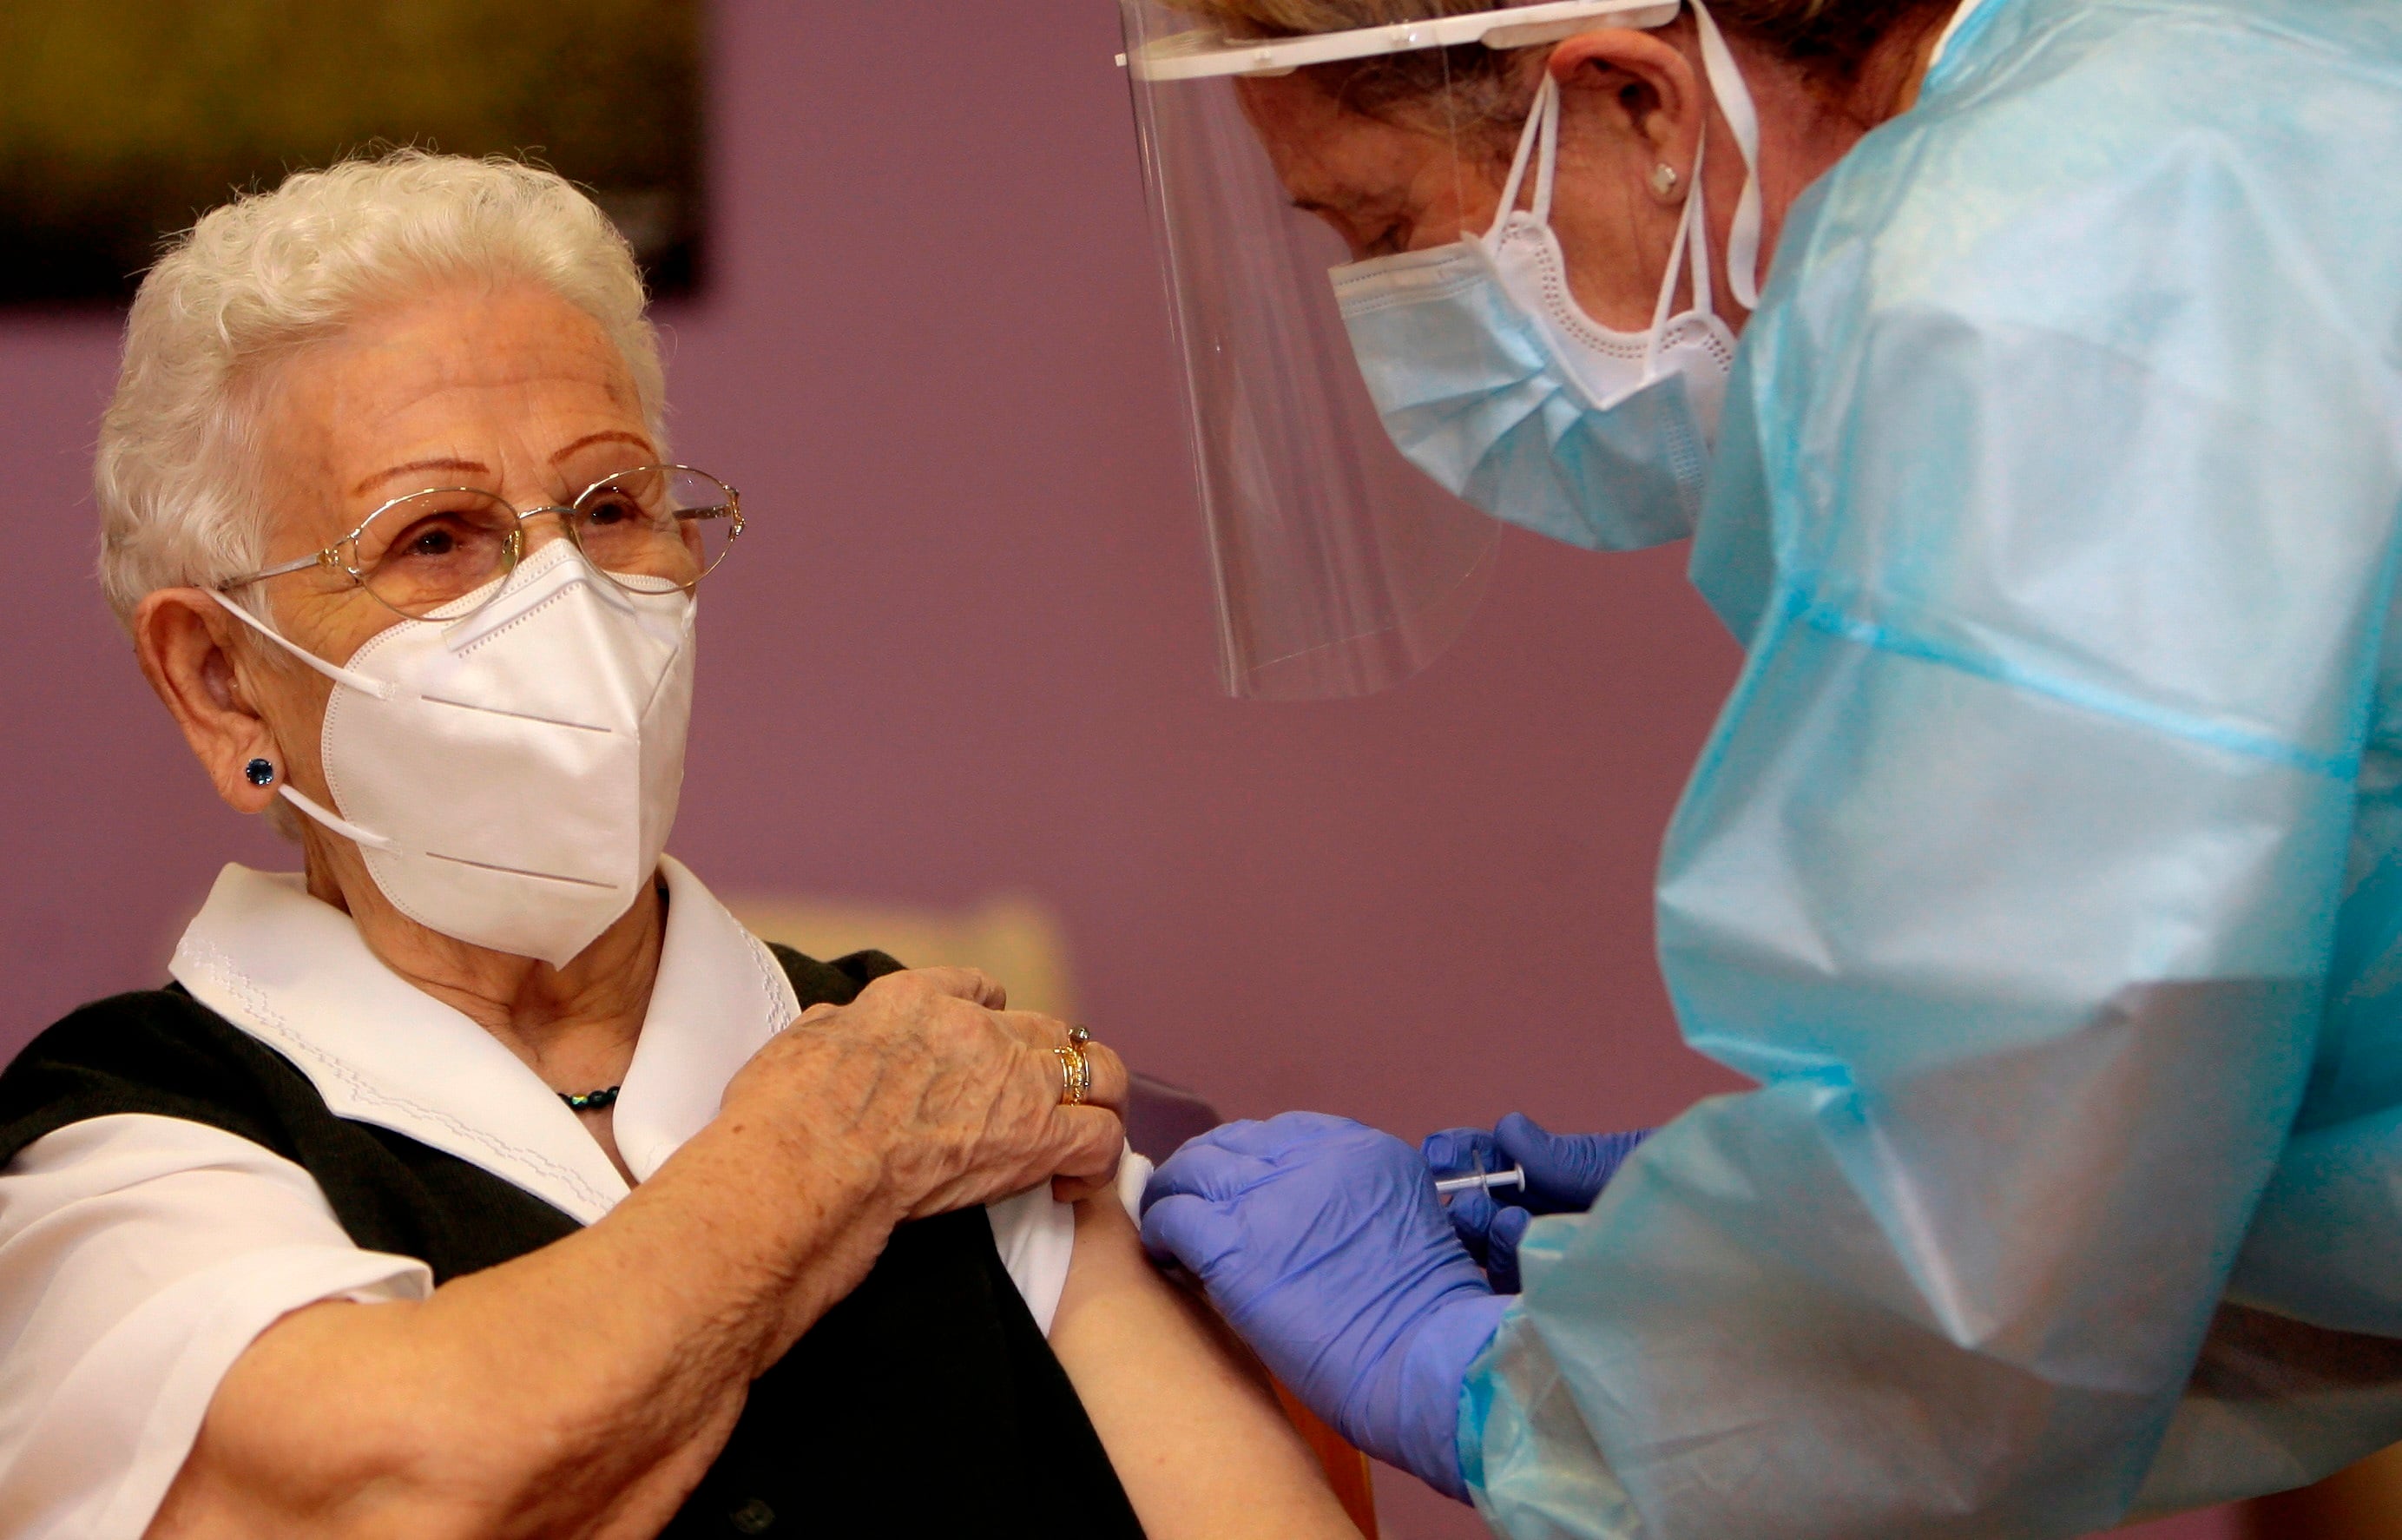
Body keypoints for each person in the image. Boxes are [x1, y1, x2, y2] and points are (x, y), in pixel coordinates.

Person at [1115, 0, 2402, 1534]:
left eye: (1390, 227)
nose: (1392, 312)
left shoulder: (2020, 288)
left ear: (1638, 102)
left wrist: (1523, 1389)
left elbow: (2003, 1259)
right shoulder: (2224, 86)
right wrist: (1764, 1232)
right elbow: (2181, 1098)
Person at [0, 151, 1363, 1540]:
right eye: (436, 537)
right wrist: (822, 1156)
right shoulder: (123, 1142)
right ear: (221, 680)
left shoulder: (932, 1057)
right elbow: (401, 1487)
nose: (563, 602)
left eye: (608, 509)